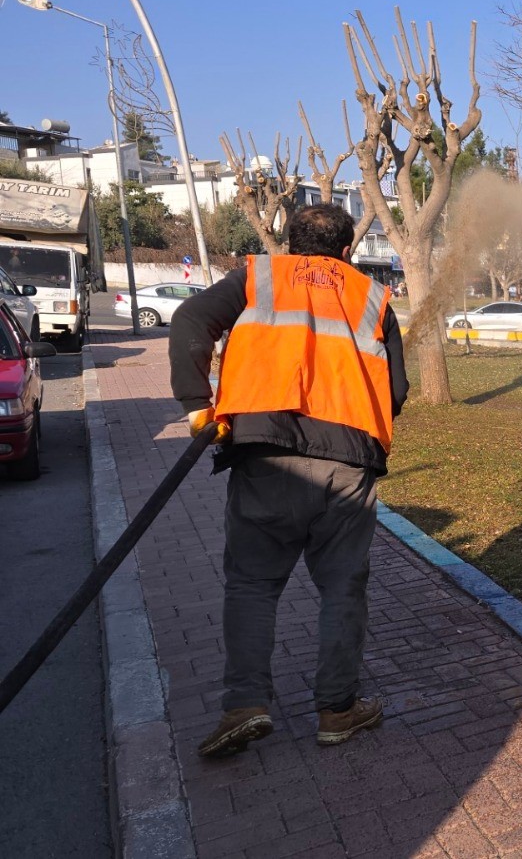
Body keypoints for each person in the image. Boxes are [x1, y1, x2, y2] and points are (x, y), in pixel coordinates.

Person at [169, 204, 408, 758]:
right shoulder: (373, 297)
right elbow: (395, 391)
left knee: (252, 585)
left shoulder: (257, 277)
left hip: (263, 456)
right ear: (348, 251)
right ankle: (336, 712)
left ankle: (245, 704)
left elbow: (188, 321)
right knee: (342, 588)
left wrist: (196, 408)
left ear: (288, 243)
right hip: (347, 461)